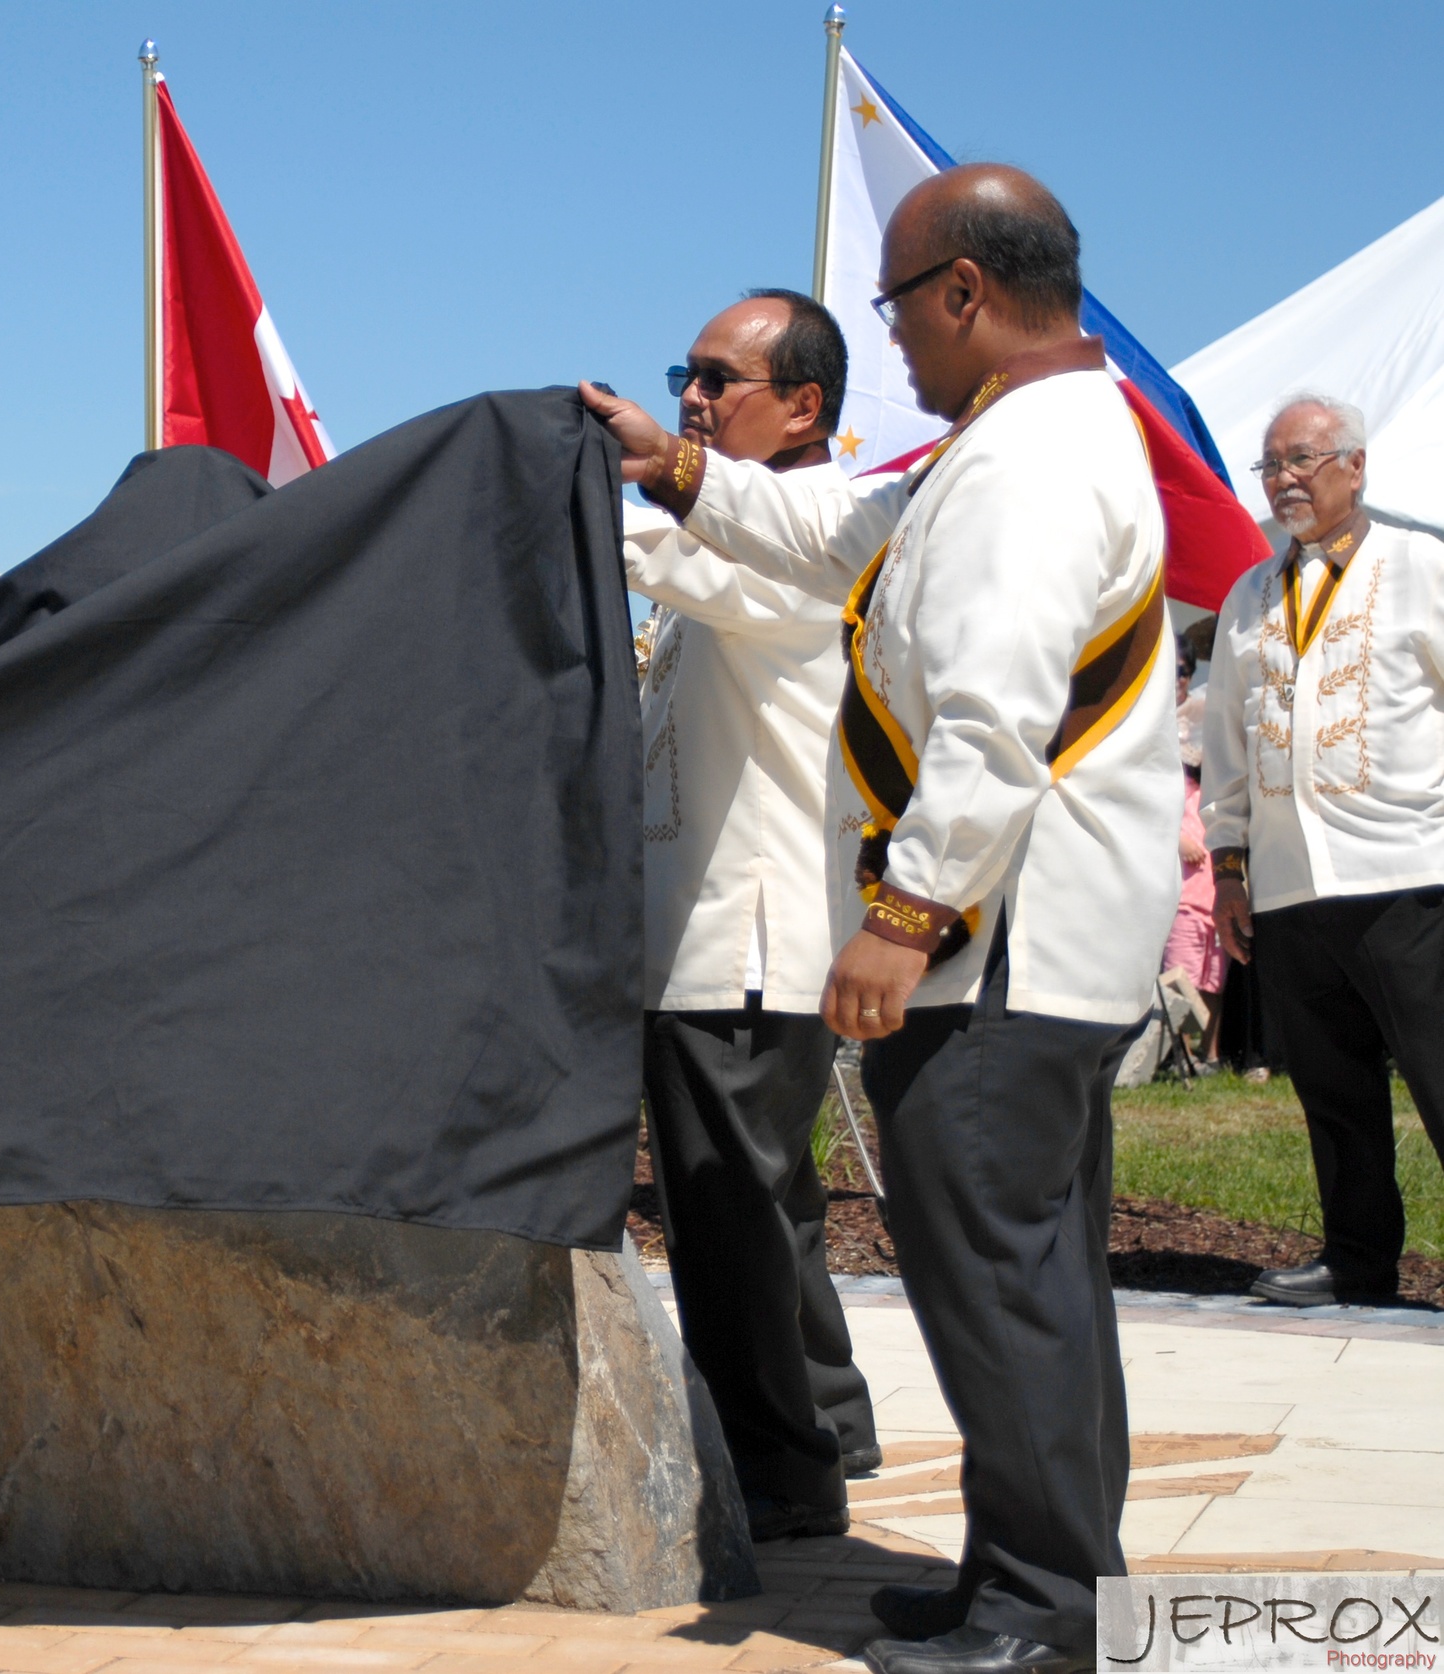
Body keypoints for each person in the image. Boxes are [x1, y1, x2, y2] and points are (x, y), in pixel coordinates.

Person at [585, 163, 1179, 1674]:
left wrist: (907, 914)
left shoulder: (1033, 462)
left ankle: (1047, 1616)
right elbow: (846, 532)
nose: (893, 338)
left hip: (1000, 951)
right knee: (1030, 1280)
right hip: (1014, 946)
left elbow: (993, 721)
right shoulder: (999, 448)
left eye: (901, 306)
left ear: (966, 292)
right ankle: (1026, 1573)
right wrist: (678, 467)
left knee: (1000, 1282)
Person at [625, 290, 880, 1543]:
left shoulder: (817, 529)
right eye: (687, 371)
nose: (691, 396)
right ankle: (829, 1418)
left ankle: (777, 1471)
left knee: (725, 1216)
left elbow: (636, 547)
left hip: (751, 936)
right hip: (716, 928)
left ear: (803, 406)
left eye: (722, 380)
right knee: (770, 1208)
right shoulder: (736, 535)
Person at [1202, 394, 1444, 1307]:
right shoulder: (1250, 595)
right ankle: (1358, 1258)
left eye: (1302, 459)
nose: (1285, 480)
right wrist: (1228, 867)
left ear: (1356, 465)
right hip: (1292, 886)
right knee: (1333, 1092)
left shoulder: (1419, 566)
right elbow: (1225, 743)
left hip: (1408, 873)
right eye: (1270, 466)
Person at [1162, 648, 1223, 1063]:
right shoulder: (1172, 783)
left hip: (1216, 896)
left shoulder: (1212, 787)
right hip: (1184, 896)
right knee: (1180, 977)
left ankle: (1210, 1054)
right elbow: (1153, 821)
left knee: (1212, 981)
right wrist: (1176, 841)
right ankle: (1180, 1055)